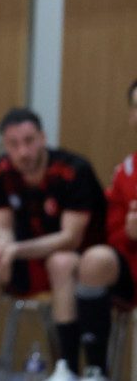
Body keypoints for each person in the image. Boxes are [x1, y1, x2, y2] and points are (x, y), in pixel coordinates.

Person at [0, 108, 106, 381]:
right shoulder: (2, 171)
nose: (22, 151)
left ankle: (68, 368)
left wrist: (17, 250)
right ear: (5, 145)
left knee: (60, 261)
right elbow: (0, 225)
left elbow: (70, 238)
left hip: (80, 266)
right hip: (28, 262)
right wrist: (1, 247)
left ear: (43, 138)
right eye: (14, 144)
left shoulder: (74, 170)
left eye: (29, 141)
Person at [72, 79, 137, 380]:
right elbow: (113, 235)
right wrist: (130, 232)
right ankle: (97, 369)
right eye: (136, 107)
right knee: (94, 260)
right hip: (133, 267)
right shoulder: (127, 170)